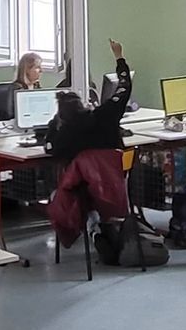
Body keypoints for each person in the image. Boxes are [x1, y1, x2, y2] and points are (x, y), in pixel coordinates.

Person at [44, 41, 132, 251]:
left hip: (83, 193)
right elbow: (124, 87)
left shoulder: (66, 133)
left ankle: (93, 223)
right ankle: (106, 225)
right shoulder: (107, 114)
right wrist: (119, 58)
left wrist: (53, 126)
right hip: (117, 184)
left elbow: (50, 149)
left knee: (61, 185)